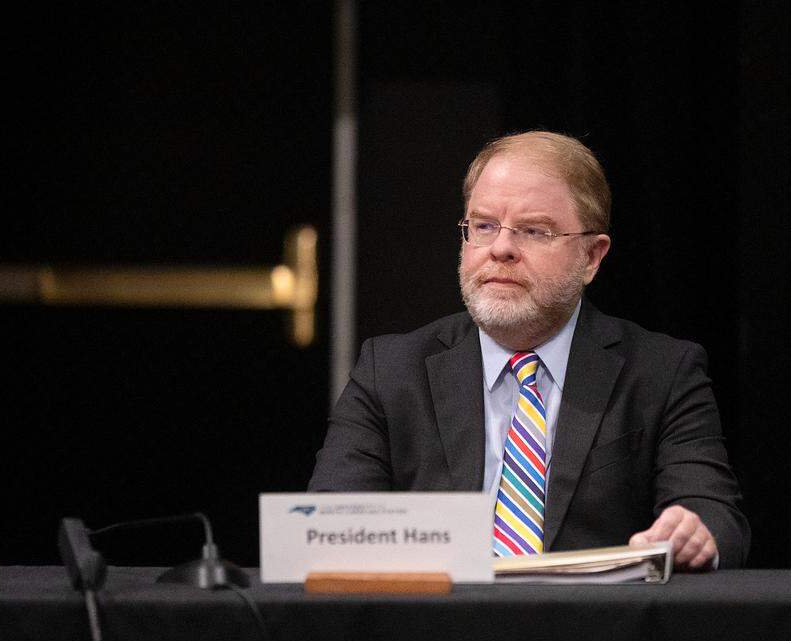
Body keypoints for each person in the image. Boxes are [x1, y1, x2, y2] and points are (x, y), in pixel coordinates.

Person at [309, 131, 749, 570]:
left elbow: (716, 517)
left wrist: (694, 531)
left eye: (535, 231)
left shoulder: (661, 373)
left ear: (592, 257)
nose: (500, 249)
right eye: (483, 226)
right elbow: (328, 530)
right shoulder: (389, 372)